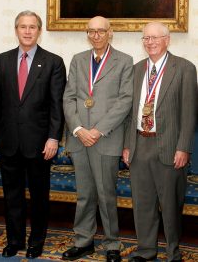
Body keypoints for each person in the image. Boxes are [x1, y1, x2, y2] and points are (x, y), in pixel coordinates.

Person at [0, 10, 66, 259]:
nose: (27, 31)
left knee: (40, 197)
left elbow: (56, 105)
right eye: (23, 27)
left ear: (39, 31)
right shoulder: (1, 60)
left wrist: (54, 137)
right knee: (12, 196)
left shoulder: (53, 62)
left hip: (40, 144)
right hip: (8, 142)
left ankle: (36, 241)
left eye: (32, 27)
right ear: (16, 30)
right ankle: (15, 240)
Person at [123, 22, 197, 262]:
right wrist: (127, 144)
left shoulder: (185, 68)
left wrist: (184, 147)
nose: (150, 42)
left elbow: (189, 114)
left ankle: (173, 252)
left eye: (155, 38)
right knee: (142, 204)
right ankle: (146, 251)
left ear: (167, 40)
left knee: (171, 206)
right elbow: (130, 112)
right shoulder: (135, 70)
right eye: (146, 38)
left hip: (170, 147)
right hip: (139, 144)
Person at [62, 16, 133, 262]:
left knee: (106, 195)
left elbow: (125, 101)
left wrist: (98, 130)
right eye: (91, 31)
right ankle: (83, 242)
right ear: (87, 34)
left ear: (110, 33)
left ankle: (112, 244)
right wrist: (79, 128)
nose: (96, 35)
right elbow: (68, 97)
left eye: (101, 31)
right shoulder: (78, 60)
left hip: (106, 139)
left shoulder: (124, 61)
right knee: (84, 195)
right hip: (79, 139)